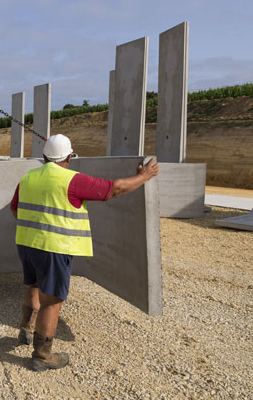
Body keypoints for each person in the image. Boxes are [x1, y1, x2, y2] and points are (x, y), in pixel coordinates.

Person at [9, 134, 159, 372]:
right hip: (53, 248)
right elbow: (115, 189)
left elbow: (15, 207)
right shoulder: (72, 180)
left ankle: (24, 333)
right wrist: (144, 176)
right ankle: (42, 355)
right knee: (52, 301)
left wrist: (36, 228)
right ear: (69, 157)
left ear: (45, 156)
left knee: (34, 286)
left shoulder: (28, 177)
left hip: (27, 244)